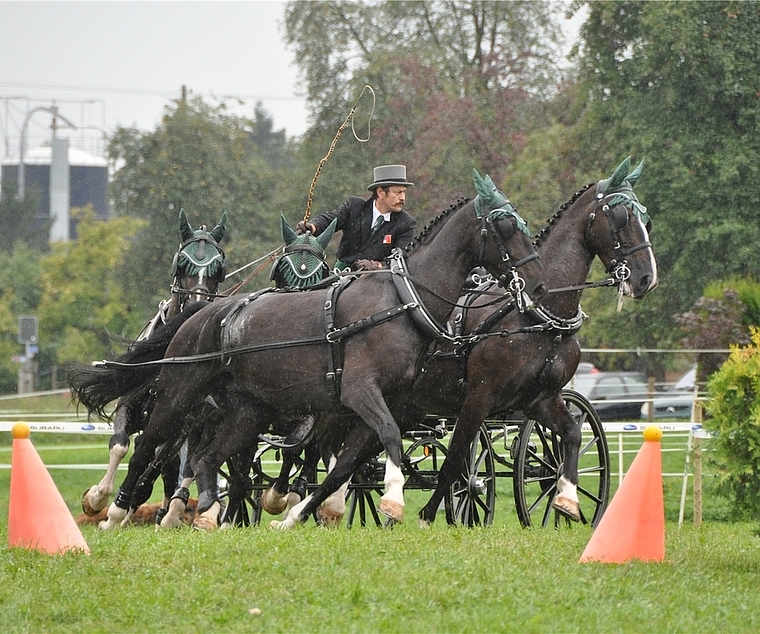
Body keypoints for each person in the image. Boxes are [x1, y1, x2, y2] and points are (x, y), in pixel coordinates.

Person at [296, 164, 417, 271]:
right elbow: (331, 219)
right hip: (341, 274)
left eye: (404, 192)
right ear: (380, 192)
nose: (403, 198)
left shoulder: (406, 223)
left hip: (378, 281)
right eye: (397, 192)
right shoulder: (354, 207)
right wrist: (312, 227)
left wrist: (377, 265)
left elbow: (402, 258)